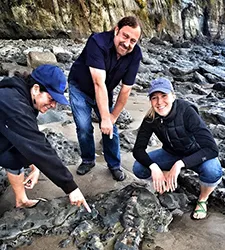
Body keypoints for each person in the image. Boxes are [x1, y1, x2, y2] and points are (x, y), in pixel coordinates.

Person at [0, 64, 91, 212]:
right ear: (36, 89)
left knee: (17, 152)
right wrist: (71, 188)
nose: (53, 105)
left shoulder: (22, 97)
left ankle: (21, 200)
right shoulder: (13, 104)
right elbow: (38, 146)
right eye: (51, 98)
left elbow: (28, 139)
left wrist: (34, 165)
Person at [132, 78, 223, 220]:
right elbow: (138, 150)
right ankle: (165, 178)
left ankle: (202, 199)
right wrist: (154, 167)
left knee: (213, 171)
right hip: (171, 153)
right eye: (154, 98)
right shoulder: (151, 118)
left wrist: (180, 164)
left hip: (196, 154)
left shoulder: (187, 111)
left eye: (164, 96)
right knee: (139, 168)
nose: (159, 102)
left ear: (173, 96)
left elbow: (212, 149)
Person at [68, 16, 142, 181]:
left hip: (105, 89)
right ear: (116, 30)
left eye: (133, 40)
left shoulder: (135, 54)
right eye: (125, 36)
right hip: (80, 87)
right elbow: (97, 82)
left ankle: (114, 164)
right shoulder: (97, 42)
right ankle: (88, 160)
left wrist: (112, 117)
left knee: (112, 129)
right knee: (84, 126)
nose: (128, 43)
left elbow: (126, 89)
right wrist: (105, 119)